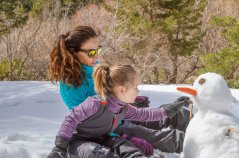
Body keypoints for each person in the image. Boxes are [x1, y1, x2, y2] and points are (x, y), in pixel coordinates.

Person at [47, 64, 189, 158]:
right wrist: (59, 148)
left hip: (102, 138)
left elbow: (146, 114)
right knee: (99, 152)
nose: (138, 90)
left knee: (122, 143)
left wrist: (169, 110)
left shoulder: (123, 108)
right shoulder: (95, 103)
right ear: (122, 90)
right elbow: (70, 120)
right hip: (76, 144)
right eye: (135, 87)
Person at [48, 25, 192, 132]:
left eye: (98, 50)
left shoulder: (94, 67)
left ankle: (201, 128)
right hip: (105, 130)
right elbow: (88, 119)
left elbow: (109, 91)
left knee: (176, 115)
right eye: (91, 52)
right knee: (156, 135)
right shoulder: (71, 84)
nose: (97, 56)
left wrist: (126, 99)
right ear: (73, 53)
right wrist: (121, 105)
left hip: (121, 116)